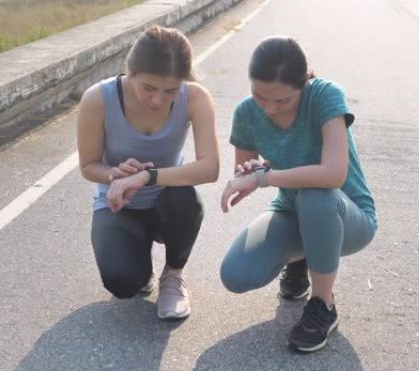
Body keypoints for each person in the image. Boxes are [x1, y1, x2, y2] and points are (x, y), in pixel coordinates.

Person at [220, 36, 377, 352]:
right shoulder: (247, 113)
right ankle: (303, 257)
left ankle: (323, 304)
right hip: (291, 210)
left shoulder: (325, 97)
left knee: (316, 197)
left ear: (305, 81)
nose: (269, 109)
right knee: (236, 274)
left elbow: (333, 174)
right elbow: (250, 172)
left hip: (347, 216)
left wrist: (265, 178)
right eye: (260, 96)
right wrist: (249, 173)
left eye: (283, 101)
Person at [77, 25, 219, 319]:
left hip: (168, 202)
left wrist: (148, 176)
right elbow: (89, 166)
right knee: (124, 283)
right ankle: (141, 263)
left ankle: (174, 276)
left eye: (170, 91)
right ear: (131, 71)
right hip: (119, 204)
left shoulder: (195, 97)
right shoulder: (98, 98)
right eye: (149, 88)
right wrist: (115, 174)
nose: (157, 100)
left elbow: (210, 168)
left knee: (184, 195)